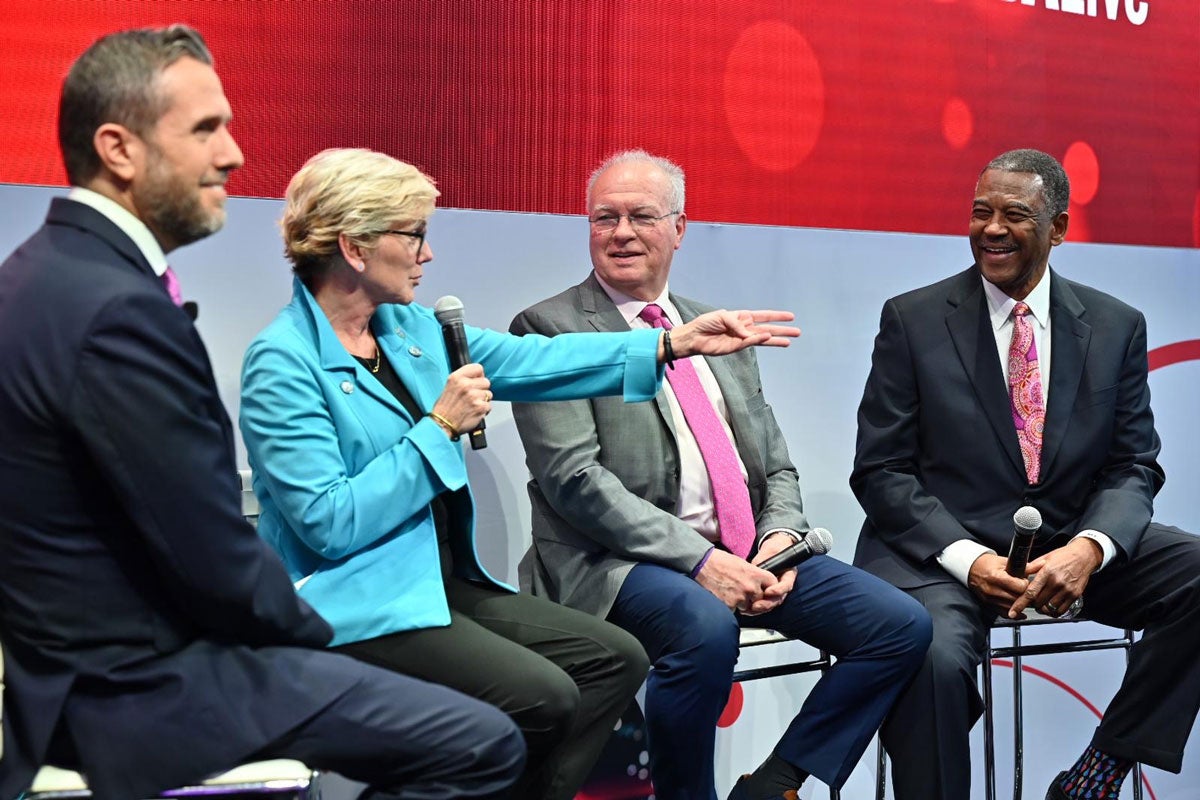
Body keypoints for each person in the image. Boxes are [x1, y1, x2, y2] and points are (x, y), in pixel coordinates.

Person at [0, 26, 528, 800]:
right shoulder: (117, 312)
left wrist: (667, 347)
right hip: (136, 689)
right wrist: (324, 634)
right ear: (118, 149)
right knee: (481, 746)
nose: (234, 155)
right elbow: (208, 547)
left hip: (90, 670)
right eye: (206, 129)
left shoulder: (42, 273)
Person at [237, 146, 801, 800]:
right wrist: (439, 429)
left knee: (614, 661)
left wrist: (670, 342)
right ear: (354, 248)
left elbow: (537, 362)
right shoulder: (282, 364)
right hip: (354, 604)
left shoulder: (405, 330)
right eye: (414, 234)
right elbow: (328, 524)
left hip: (441, 583)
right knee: (546, 696)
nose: (427, 254)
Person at [508, 149, 932, 800]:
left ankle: (776, 782)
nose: (621, 232)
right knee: (704, 627)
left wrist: (777, 542)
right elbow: (575, 482)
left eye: (641, 216)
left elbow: (775, 463)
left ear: (679, 228)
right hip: (614, 562)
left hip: (740, 552)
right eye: (604, 218)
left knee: (900, 625)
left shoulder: (712, 325)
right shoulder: (549, 330)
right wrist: (703, 565)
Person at [851, 148, 1200, 800]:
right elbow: (881, 472)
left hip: (1064, 543)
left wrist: (1087, 551)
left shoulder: (1116, 326)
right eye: (981, 212)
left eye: (1014, 214)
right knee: (928, 655)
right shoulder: (913, 320)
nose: (991, 229)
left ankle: (1099, 771)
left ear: (1059, 229)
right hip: (939, 555)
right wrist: (968, 560)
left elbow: (1133, 465)